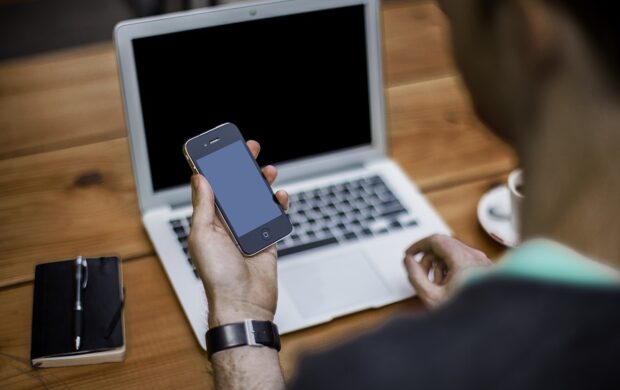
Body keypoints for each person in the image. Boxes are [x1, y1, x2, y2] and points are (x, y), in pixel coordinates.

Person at [188, 0, 620, 388]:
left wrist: (240, 313)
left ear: (526, 33)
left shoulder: (372, 375)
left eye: (452, 12)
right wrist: (495, 305)